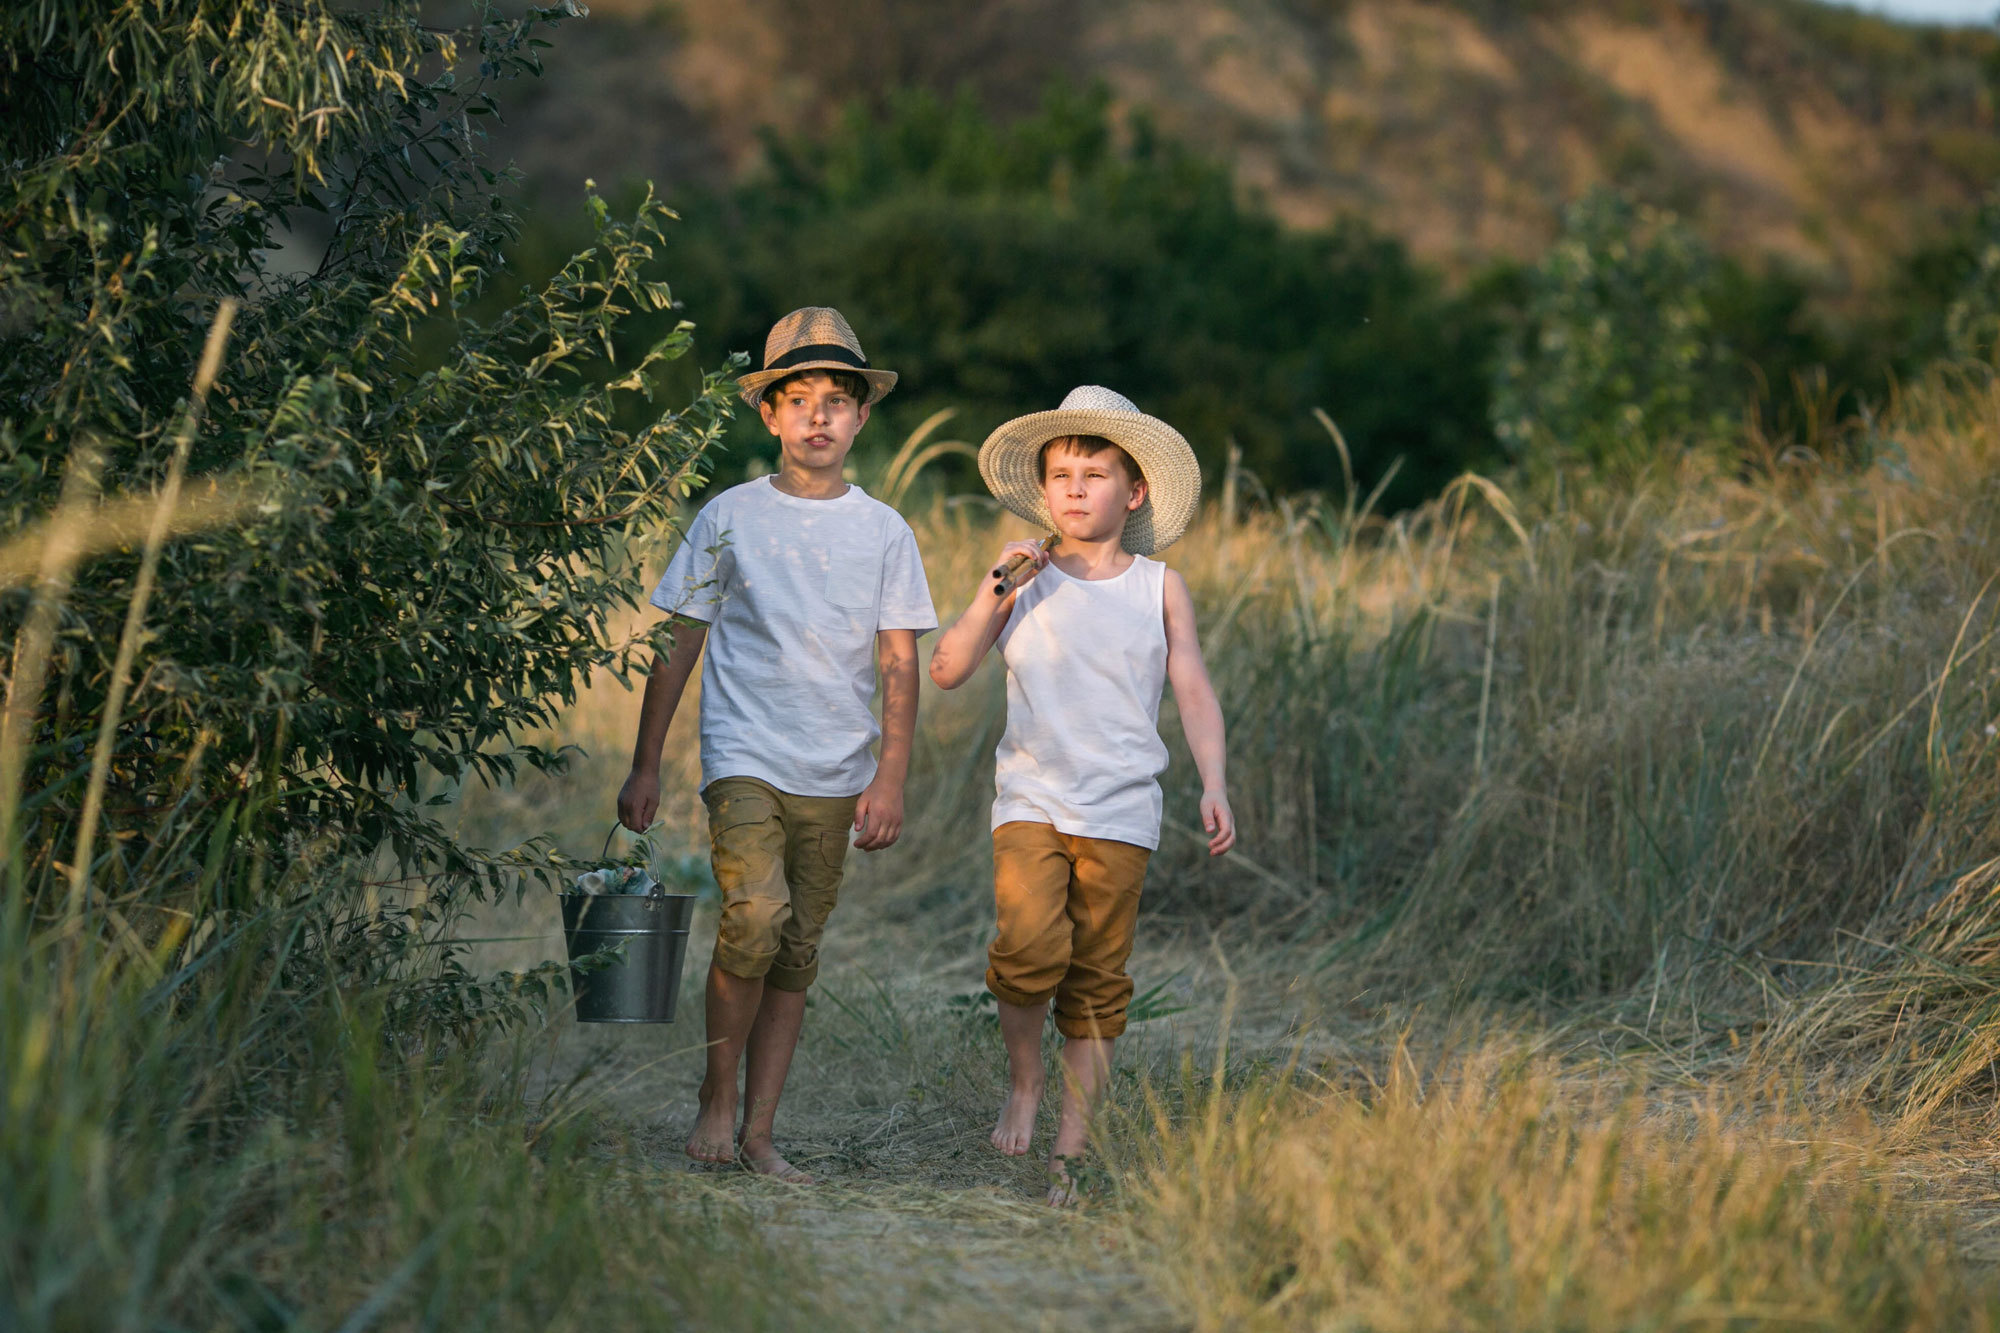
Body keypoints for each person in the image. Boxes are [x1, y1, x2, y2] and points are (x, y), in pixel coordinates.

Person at [618, 307, 936, 1183]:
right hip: (744, 756)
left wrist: (890, 777)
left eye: (837, 400)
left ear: (862, 416)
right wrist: (646, 763)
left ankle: (760, 1132)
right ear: (769, 414)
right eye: (799, 400)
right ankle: (717, 1095)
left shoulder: (885, 531)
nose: (818, 416)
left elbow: (899, 662)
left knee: (795, 948)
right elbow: (678, 641)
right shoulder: (730, 515)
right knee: (755, 917)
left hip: (836, 770)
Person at [927, 384, 1235, 1205]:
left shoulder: (1158, 586)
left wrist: (1214, 781)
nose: (1074, 487)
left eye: (1094, 473)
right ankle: (1024, 1080)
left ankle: (1072, 1145)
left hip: (1121, 810)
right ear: (1043, 487)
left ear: (1133, 491)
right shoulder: (1023, 577)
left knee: (1097, 977)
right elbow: (947, 669)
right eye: (1060, 473)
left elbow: (1193, 688)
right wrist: (996, 584)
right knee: (1027, 949)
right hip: (1032, 800)